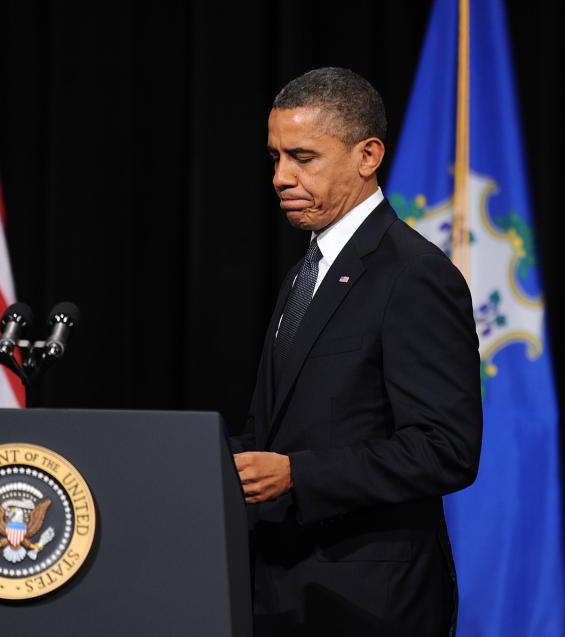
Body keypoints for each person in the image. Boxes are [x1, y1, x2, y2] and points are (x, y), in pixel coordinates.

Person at [232, 67, 482, 636]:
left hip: (371, 602)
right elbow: (274, 428)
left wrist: (297, 474)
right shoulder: (306, 274)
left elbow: (445, 449)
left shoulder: (414, 275)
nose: (280, 176)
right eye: (274, 158)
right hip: (280, 589)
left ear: (367, 155)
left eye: (302, 157)